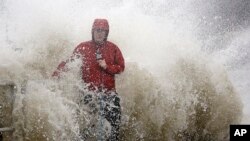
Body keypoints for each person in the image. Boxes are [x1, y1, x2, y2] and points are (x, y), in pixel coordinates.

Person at [52, 19, 125, 140]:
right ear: (93, 31)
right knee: (85, 129)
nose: (100, 33)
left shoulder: (113, 48)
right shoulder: (83, 47)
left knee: (114, 129)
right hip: (88, 94)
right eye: (97, 30)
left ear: (107, 33)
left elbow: (121, 68)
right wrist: (56, 74)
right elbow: (70, 62)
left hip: (109, 95)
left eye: (103, 31)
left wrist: (107, 67)